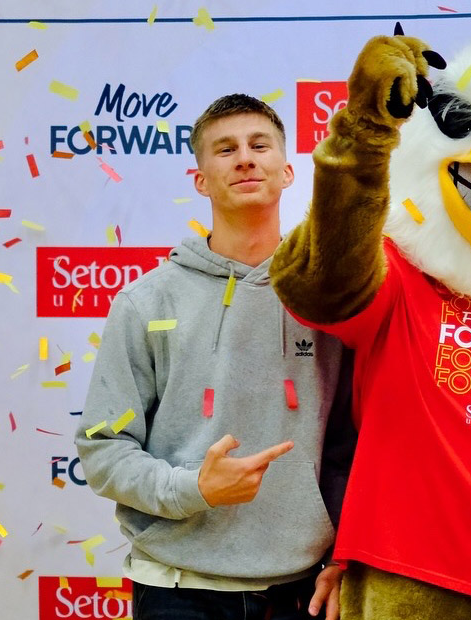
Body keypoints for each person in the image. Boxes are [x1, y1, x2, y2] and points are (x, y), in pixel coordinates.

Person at [76, 93, 354, 620]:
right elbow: (103, 450)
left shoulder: (327, 300)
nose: (245, 158)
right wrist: (195, 489)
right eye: (225, 150)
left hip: (302, 593)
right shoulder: (146, 302)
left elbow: (350, 443)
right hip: (178, 589)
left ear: (288, 171)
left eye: (259, 145)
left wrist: (348, 554)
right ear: (200, 179)